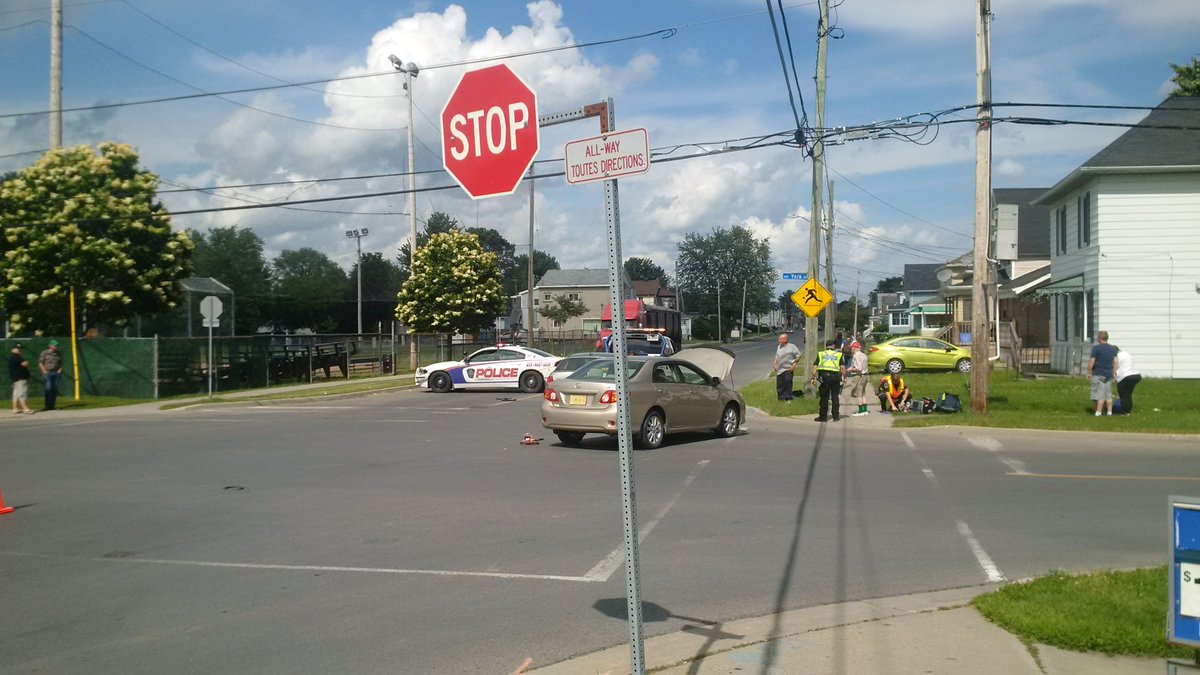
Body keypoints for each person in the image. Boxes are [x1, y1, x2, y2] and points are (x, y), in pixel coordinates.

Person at [812, 338, 846, 422]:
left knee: (824, 398)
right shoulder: (838, 354)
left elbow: (815, 367)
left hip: (824, 378)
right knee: (835, 397)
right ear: (833, 346)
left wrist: (813, 377)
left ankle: (823, 417)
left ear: (826, 346)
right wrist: (843, 377)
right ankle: (836, 416)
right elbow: (842, 367)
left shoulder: (821, 354)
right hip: (835, 378)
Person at [1086, 330, 1118, 416]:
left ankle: (1098, 412)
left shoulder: (1096, 348)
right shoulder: (1113, 349)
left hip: (1098, 373)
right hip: (1108, 374)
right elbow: (1115, 362)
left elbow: (1092, 361)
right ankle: (1109, 411)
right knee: (1108, 394)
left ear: (1099, 338)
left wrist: (1089, 372)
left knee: (1098, 394)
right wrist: (1114, 373)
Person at [773, 333, 802, 402]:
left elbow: (798, 356)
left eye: (780, 339)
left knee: (788, 382)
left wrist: (794, 365)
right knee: (780, 385)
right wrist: (774, 364)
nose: (778, 340)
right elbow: (776, 356)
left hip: (788, 368)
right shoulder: (779, 347)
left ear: (785, 339)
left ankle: (788, 398)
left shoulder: (792, 346)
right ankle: (781, 399)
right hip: (780, 369)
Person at [1114, 346, 1142, 416]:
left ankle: (1124, 412)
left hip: (1125, 376)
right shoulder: (1126, 353)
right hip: (1135, 375)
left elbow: (1115, 367)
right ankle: (1128, 411)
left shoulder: (1116, 356)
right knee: (1128, 394)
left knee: (1123, 395)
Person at [39, 339, 64, 411]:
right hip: (47, 372)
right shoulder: (45, 353)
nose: (56, 347)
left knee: (54, 390)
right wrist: (44, 371)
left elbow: (60, 363)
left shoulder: (58, 353)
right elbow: (40, 362)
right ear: (50, 346)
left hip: (55, 372)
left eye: (56, 345)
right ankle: (47, 405)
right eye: (54, 345)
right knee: (48, 389)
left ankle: (52, 405)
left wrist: (59, 370)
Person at [846, 342, 870, 416]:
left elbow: (858, 368)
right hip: (865, 375)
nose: (850, 349)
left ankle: (861, 411)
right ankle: (865, 410)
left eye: (851, 348)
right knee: (863, 393)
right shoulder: (864, 355)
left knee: (858, 393)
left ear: (855, 348)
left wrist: (850, 370)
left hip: (859, 375)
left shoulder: (856, 356)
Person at [9, 344, 33, 415]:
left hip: (16, 378)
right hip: (20, 378)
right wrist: (26, 362)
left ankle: (15, 408)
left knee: (16, 394)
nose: (20, 350)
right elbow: (24, 364)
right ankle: (25, 409)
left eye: (20, 349)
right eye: (18, 349)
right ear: (13, 349)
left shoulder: (13, 357)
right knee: (22, 393)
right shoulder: (16, 356)